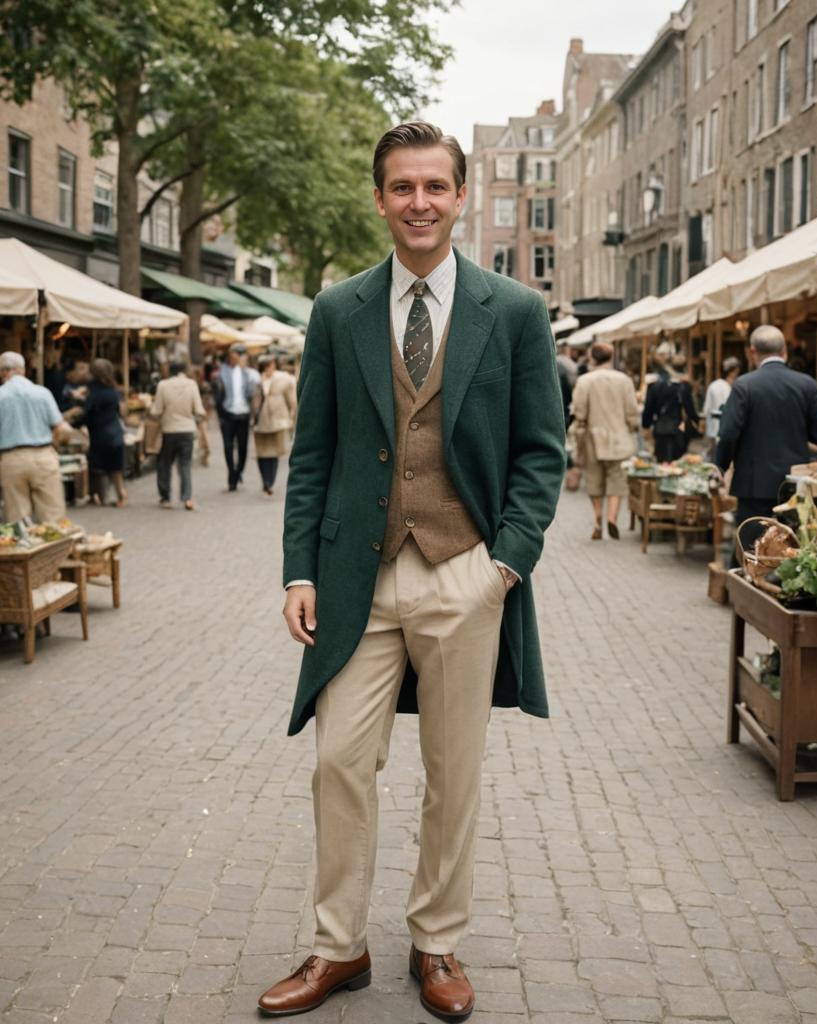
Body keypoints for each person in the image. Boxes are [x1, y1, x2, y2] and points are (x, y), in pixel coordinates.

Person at [258, 122, 565, 1021]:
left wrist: (503, 566)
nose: (420, 203)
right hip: (358, 576)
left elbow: (542, 454)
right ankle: (336, 948)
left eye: (436, 186)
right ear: (381, 198)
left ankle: (436, 943)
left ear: (461, 196)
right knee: (340, 763)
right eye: (403, 187)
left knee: (452, 773)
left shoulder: (512, 311)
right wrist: (297, 572)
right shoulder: (336, 309)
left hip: (465, 572)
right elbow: (311, 452)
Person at [715, 325, 817, 548]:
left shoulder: (744, 385)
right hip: (794, 481)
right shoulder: (806, 384)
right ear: (784, 350)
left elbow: (728, 434)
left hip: (753, 481)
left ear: (751, 352)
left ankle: (749, 581)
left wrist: (720, 466)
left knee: (751, 547)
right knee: (791, 546)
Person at [0, 351, 67, 524]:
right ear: (23, 370)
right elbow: (59, 428)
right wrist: (53, 446)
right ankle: (55, 550)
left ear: (1, 373)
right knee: (53, 516)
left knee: (18, 520)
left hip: (12, 459)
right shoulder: (42, 393)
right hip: (44, 455)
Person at [571, 341, 640, 540]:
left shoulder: (585, 381)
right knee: (617, 481)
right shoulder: (624, 380)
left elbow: (579, 411)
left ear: (592, 358)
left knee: (594, 480)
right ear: (611, 358)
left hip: (593, 438)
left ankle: (597, 518)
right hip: (619, 438)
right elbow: (632, 412)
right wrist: (632, 426)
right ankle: (612, 518)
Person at [149, 359, 205, 511]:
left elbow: (156, 411)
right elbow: (199, 410)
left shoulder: (163, 385)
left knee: (164, 463)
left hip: (170, 430)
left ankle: (166, 497)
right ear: (183, 371)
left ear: (169, 370)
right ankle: (187, 498)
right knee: (185, 465)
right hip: (187, 430)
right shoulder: (192, 384)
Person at [75, 358, 127, 507]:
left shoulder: (95, 391)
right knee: (115, 468)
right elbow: (119, 411)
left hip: (100, 433)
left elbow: (88, 413)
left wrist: (75, 422)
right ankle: (121, 494)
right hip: (115, 431)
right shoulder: (113, 389)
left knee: (96, 467)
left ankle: (96, 495)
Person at [215, 344, 260, 491]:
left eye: (239, 356)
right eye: (234, 356)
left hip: (243, 414)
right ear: (229, 357)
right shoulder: (222, 373)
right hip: (228, 414)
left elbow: (251, 392)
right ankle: (232, 476)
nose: (237, 358)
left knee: (243, 448)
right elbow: (217, 393)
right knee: (228, 447)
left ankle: (239, 471)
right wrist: (221, 413)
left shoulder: (246, 373)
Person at [252, 354, 297, 496]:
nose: (270, 369)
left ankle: (269, 481)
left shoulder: (283, 379)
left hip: (277, 419)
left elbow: (292, 400)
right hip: (260, 420)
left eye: (271, 366)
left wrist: (291, 415)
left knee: (274, 451)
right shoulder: (257, 379)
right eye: (267, 366)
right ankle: (265, 479)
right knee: (262, 451)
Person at [642, 354, 699, 462]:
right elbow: (689, 409)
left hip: (659, 429)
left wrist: (646, 424)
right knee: (677, 463)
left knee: (661, 462)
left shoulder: (653, 386)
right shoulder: (683, 386)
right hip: (678, 428)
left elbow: (648, 409)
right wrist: (696, 420)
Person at [702, 356, 741, 459]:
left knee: (714, 457)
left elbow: (706, 409)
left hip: (712, 428)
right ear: (733, 371)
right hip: (724, 429)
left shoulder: (713, 385)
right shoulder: (731, 388)